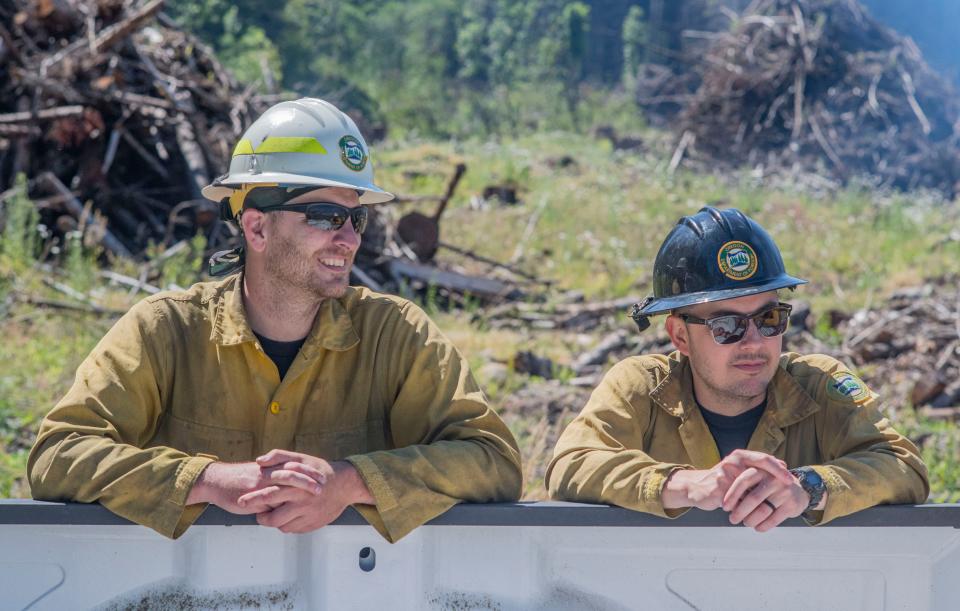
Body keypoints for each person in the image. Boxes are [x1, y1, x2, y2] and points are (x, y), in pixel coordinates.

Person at [28, 98, 522, 542]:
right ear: (257, 226)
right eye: (327, 216)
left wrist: (349, 481)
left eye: (356, 218)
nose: (348, 239)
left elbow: (492, 460)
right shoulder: (164, 332)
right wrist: (207, 480)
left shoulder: (396, 335)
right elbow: (57, 455)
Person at [546, 206, 928, 531]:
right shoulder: (642, 387)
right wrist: (684, 484)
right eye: (725, 326)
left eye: (770, 318)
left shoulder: (819, 385)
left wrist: (809, 486)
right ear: (679, 336)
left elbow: (903, 467)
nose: (754, 342)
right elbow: (571, 465)